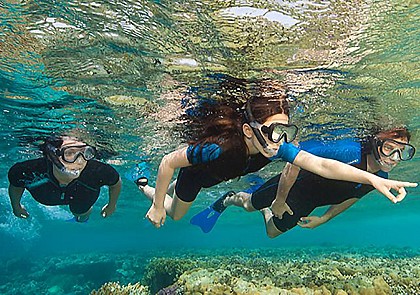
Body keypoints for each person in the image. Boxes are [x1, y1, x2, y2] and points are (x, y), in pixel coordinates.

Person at [137, 77, 417, 229]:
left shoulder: (276, 147)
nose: (278, 141)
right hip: (197, 177)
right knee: (174, 213)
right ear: (249, 130)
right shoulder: (219, 147)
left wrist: (373, 179)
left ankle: (164, 191)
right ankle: (148, 191)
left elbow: (321, 164)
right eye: (272, 131)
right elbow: (168, 161)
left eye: (285, 132)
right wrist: (157, 205)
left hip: (218, 176)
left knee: (173, 189)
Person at [217, 127, 416, 237]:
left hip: (308, 203)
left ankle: (265, 210)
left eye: (403, 151)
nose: (396, 157)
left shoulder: (382, 178)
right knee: (249, 204)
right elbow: (293, 162)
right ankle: (228, 199)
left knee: (272, 232)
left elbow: (353, 196)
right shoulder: (347, 151)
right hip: (289, 187)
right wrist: (279, 199)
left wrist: (325, 218)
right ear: (376, 144)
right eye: (390, 148)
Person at [8, 136, 122, 222]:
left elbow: (116, 183)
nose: (80, 160)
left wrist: (111, 205)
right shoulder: (28, 170)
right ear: (52, 156)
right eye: (70, 153)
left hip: (83, 195)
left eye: (85, 152)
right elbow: (17, 184)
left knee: (80, 213)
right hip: (47, 196)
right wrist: (16, 206)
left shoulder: (98, 171)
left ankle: (81, 220)